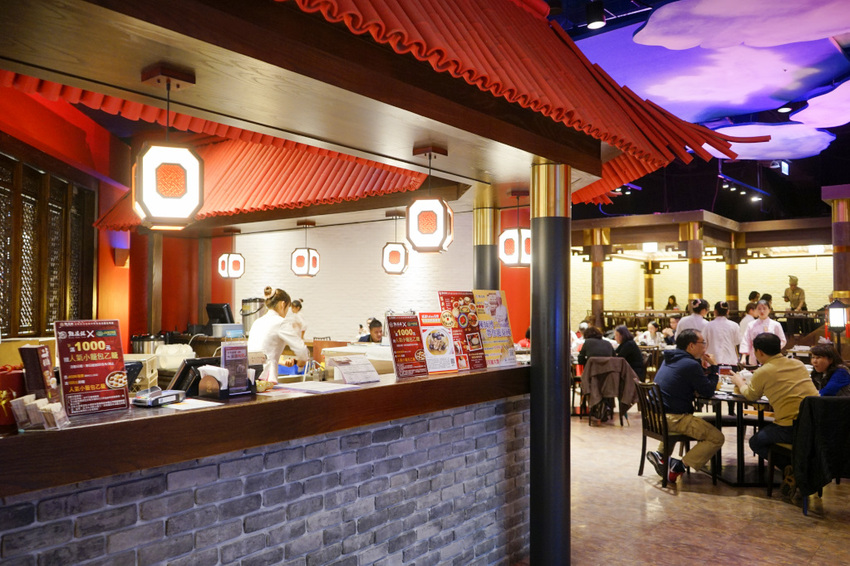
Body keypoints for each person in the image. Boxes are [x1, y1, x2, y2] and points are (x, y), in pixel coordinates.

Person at [729, 333, 818, 493]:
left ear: (759, 352)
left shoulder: (764, 371)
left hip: (790, 428)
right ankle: (799, 468)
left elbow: (751, 395)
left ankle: (792, 469)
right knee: (768, 429)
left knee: (756, 442)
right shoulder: (798, 364)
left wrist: (739, 382)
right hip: (815, 425)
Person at [647, 329, 724, 484]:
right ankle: (678, 466)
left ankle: (661, 456)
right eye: (703, 343)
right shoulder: (690, 364)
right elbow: (707, 391)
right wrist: (714, 368)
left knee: (684, 418)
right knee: (716, 438)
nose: (705, 347)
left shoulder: (669, 358)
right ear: (691, 345)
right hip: (672, 418)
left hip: (654, 416)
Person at [247, 287, 309, 382]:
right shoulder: (281, 322)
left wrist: (281, 361)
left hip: (250, 375)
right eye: (288, 307)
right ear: (282, 304)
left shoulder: (257, 322)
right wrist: (303, 360)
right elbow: (301, 349)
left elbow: (260, 353)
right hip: (266, 376)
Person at [740, 300, 786, 365]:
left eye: (764, 308)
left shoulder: (776, 325)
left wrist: (773, 350)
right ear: (756, 310)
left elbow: (782, 340)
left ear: (769, 310)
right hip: (755, 356)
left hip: (771, 357)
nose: (762, 311)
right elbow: (746, 341)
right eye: (759, 309)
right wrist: (743, 357)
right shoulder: (751, 325)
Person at [703, 301, 740, 366]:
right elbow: (737, 342)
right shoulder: (735, 325)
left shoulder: (708, 326)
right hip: (730, 361)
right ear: (727, 312)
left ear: (715, 311)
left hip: (712, 361)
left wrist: (703, 358)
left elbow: (704, 343)